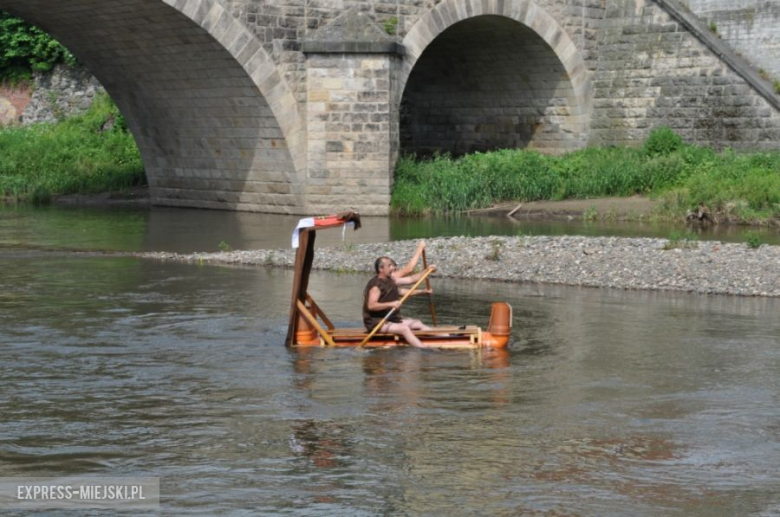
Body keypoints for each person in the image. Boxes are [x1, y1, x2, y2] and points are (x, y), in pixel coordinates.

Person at [363, 254, 436, 348]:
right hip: (376, 322)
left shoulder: (391, 280)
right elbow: (371, 306)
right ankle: (424, 349)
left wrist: (427, 271)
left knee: (417, 323)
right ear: (381, 269)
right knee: (404, 329)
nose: (393, 268)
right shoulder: (376, 286)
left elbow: (410, 280)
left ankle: (447, 337)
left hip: (390, 320)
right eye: (389, 266)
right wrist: (391, 304)